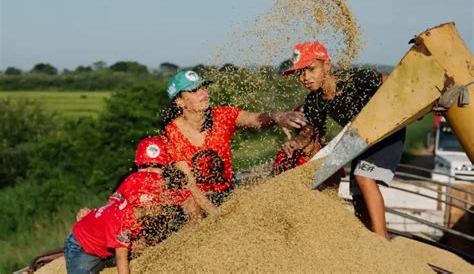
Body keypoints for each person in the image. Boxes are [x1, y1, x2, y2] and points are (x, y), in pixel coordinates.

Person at [281, 41, 406, 239]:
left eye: (311, 69)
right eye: (301, 73)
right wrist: (296, 143)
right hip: (361, 138)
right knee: (356, 189)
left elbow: (389, 81)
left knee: (365, 177)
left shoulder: (351, 77)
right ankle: (366, 236)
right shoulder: (314, 100)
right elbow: (310, 131)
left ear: (327, 66)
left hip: (385, 129)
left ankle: (382, 240)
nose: (305, 77)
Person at [65, 136, 216, 274]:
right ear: (137, 166)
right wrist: (91, 214)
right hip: (87, 246)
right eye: (145, 166)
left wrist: (198, 226)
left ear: (165, 168)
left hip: (123, 235)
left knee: (142, 244)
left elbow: (190, 200)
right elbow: (112, 207)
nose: (149, 170)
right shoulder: (131, 182)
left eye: (156, 165)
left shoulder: (168, 185)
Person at [162, 70, 307, 206]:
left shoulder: (222, 116)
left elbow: (254, 119)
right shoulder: (172, 133)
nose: (203, 93)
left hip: (227, 192)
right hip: (197, 200)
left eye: (203, 87)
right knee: (191, 205)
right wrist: (216, 217)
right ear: (179, 101)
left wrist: (278, 117)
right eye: (194, 90)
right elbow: (191, 186)